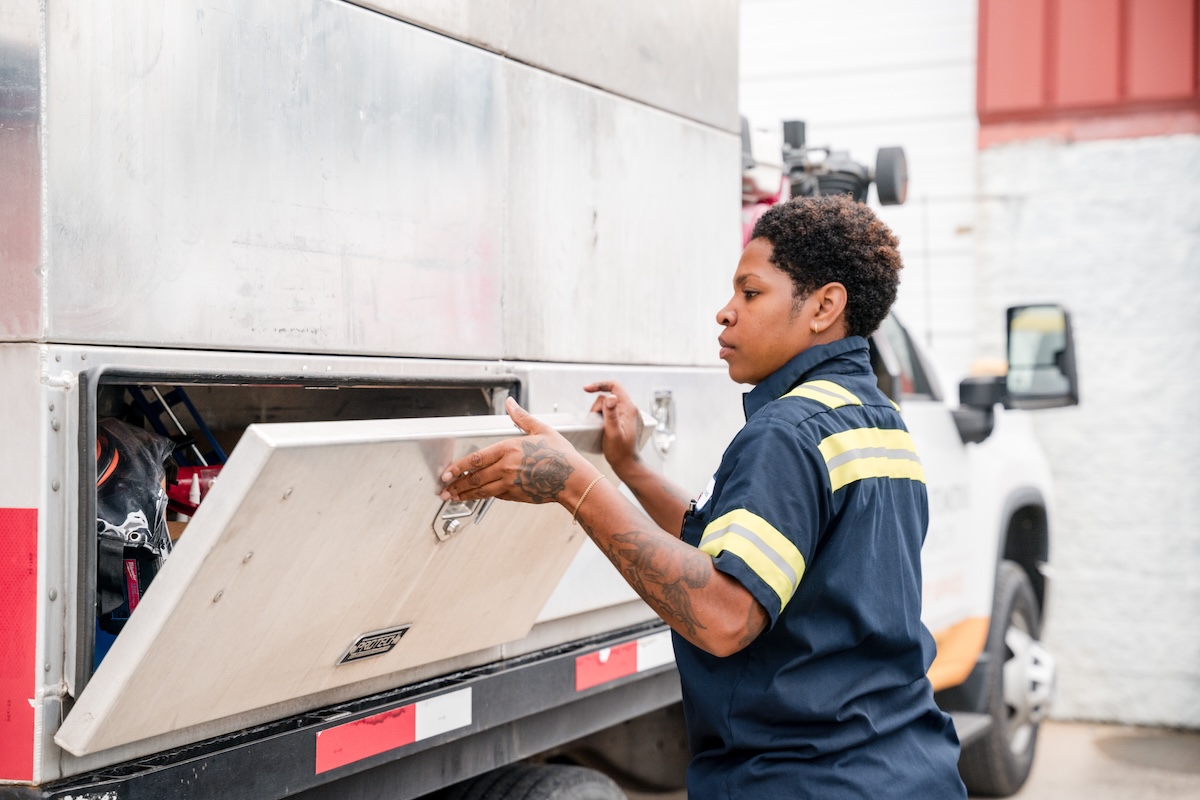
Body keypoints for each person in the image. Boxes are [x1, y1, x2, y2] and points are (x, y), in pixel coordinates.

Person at [439, 195, 967, 799]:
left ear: (824, 306)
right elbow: (728, 538)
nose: (725, 312)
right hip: (907, 767)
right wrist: (628, 468)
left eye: (751, 293)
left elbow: (723, 617)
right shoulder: (875, 419)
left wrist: (573, 485)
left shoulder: (787, 433)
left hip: (807, 780)